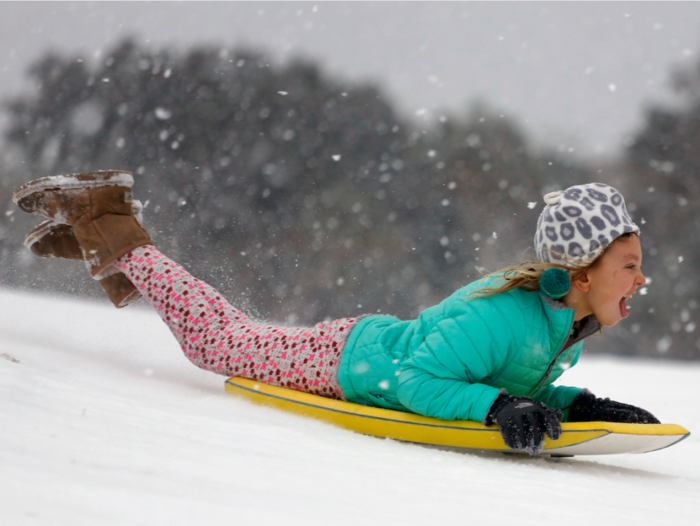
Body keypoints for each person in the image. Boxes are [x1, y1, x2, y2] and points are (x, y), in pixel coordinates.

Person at [12, 171, 660, 455]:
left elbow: (517, 384)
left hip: (364, 353)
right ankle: (109, 222)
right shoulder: (506, 317)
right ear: (581, 273)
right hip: (349, 361)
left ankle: (110, 244)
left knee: (225, 335)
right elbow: (416, 381)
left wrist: (580, 405)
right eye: (628, 263)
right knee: (215, 343)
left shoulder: (561, 328)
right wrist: (495, 411)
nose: (640, 276)